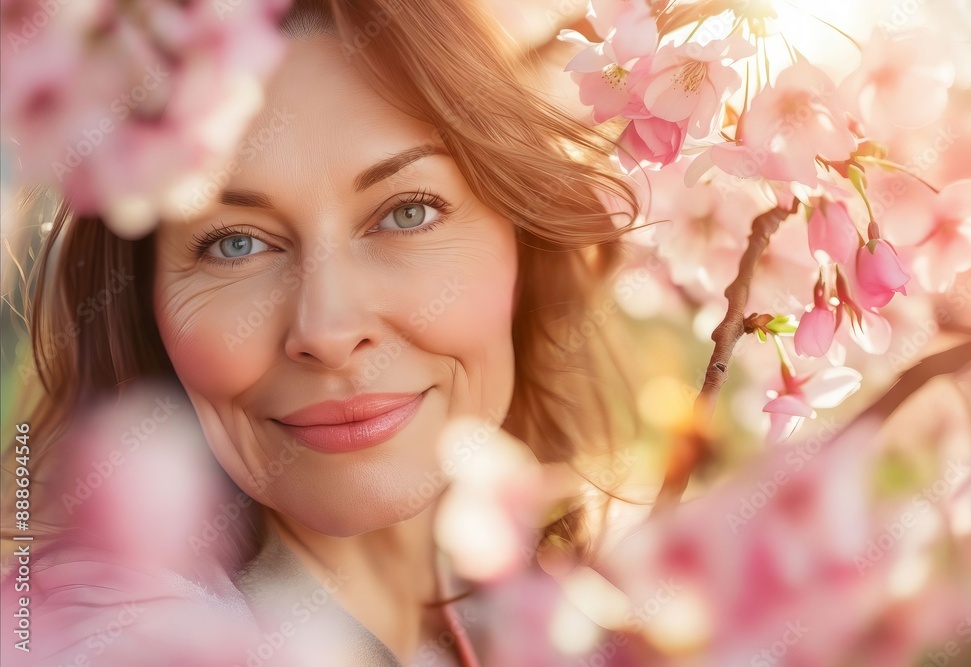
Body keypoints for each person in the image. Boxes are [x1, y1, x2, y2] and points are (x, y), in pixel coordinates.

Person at [0, 0, 642, 664]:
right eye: (236, 243)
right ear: (142, 302)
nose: (328, 331)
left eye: (408, 212)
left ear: (524, 238)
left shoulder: (603, 608)